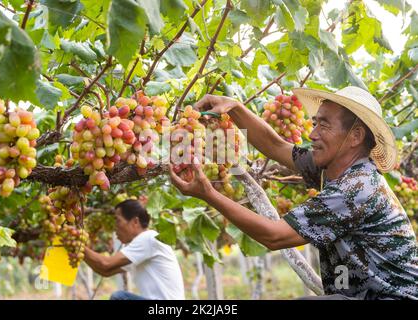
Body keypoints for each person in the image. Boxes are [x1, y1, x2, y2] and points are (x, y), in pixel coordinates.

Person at [169, 86, 418, 300]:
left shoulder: (358, 186)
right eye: (315, 123)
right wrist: (234, 107)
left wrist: (208, 194)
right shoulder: (333, 169)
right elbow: (276, 146)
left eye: (324, 125)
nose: (312, 134)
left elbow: (275, 236)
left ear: (355, 136)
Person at [83, 199, 185, 300]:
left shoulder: (148, 238)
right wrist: (76, 250)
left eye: (118, 220)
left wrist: (79, 246)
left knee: (119, 297)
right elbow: (106, 271)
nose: (115, 227)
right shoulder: (141, 245)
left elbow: (106, 264)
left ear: (135, 222)